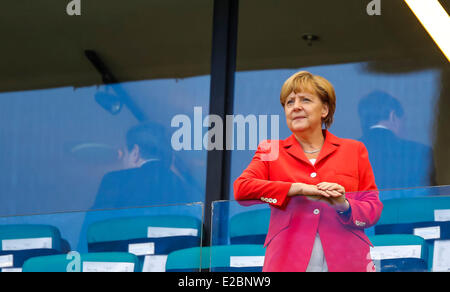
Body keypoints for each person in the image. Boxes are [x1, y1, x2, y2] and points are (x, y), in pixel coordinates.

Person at [234, 71, 383, 272]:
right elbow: (242, 190)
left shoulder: (354, 150)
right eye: (289, 102)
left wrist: (343, 204)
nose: (296, 107)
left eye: (305, 100)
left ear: (324, 109)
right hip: (288, 259)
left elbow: (372, 208)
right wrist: (296, 189)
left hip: (347, 258)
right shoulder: (271, 150)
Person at [358, 90, 436, 191]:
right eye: (404, 121)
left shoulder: (346, 152)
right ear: (393, 116)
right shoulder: (421, 153)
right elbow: (433, 199)